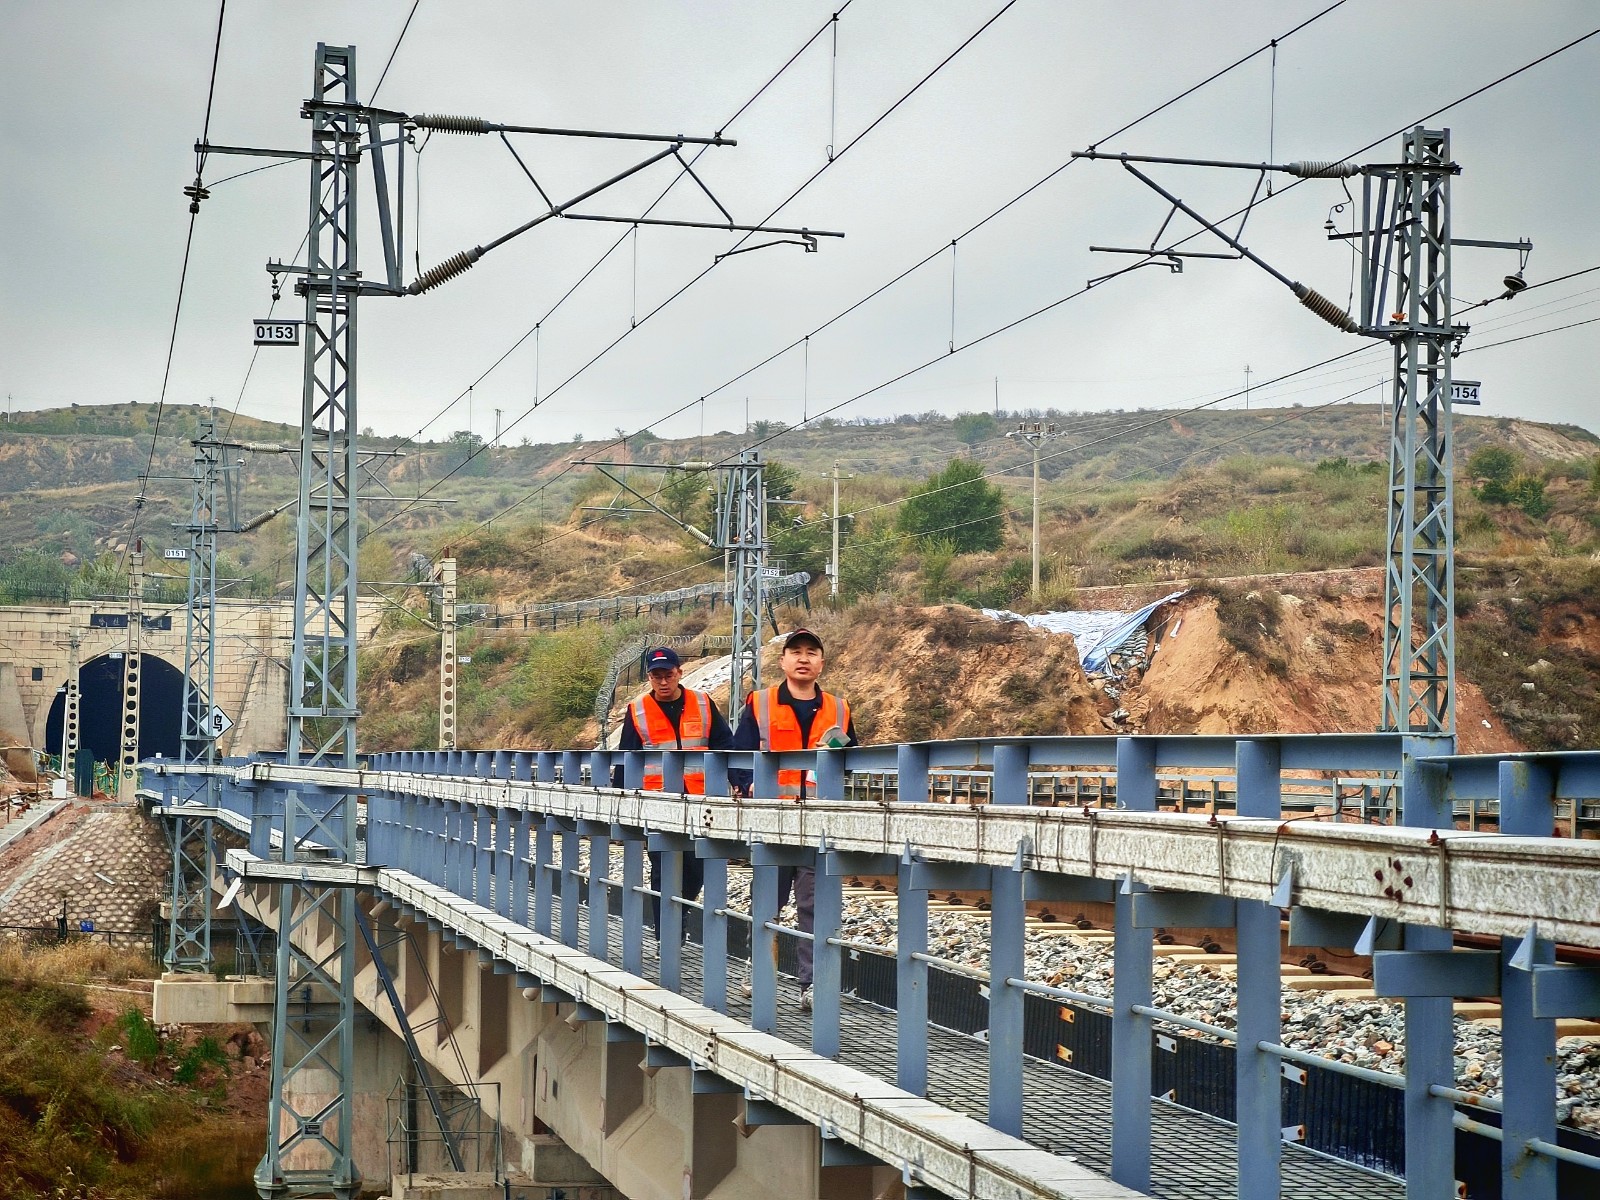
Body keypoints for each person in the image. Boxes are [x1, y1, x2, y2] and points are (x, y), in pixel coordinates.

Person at [731, 628, 858, 1012]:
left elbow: (852, 760)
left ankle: (812, 984)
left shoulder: (840, 708)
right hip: (773, 820)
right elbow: (737, 753)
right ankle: (760, 970)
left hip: (818, 822)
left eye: (811, 652)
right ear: (783, 661)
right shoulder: (760, 702)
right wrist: (746, 785)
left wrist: (838, 757)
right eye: (796, 652)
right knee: (768, 900)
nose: (803, 659)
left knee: (815, 904)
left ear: (821, 662)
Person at [617, 646, 734, 939]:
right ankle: (665, 934)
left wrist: (740, 781)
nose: (664, 682)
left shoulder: (703, 703)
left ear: (680, 673)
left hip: (700, 801)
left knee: (696, 869)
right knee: (662, 868)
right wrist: (619, 800)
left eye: (668, 675)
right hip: (658, 803)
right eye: (657, 676)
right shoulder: (638, 710)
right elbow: (626, 758)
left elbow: (727, 746)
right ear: (649, 678)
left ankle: (679, 913)